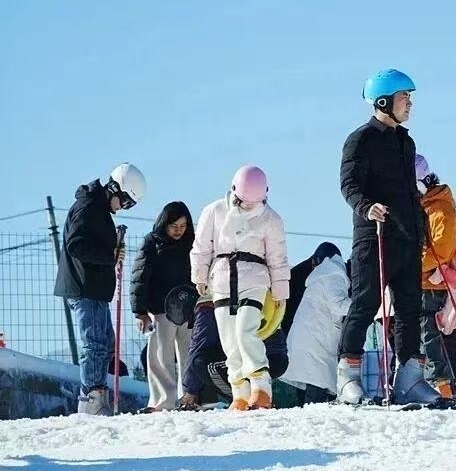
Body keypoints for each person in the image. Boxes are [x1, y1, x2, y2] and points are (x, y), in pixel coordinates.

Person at [336, 69, 441, 406]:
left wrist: (421, 224)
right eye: (403, 97)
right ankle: (348, 376)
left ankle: (409, 380)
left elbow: (409, 190)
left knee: (410, 309)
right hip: (375, 236)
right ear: (383, 102)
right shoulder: (361, 139)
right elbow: (349, 184)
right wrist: (366, 207)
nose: (409, 103)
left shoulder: (406, 142)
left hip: (407, 237)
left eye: (409, 97)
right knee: (366, 303)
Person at [190, 165, 290, 410]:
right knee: (229, 339)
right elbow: (202, 246)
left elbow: (278, 257)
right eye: (245, 201)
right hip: (222, 279)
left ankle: (261, 387)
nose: (249, 206)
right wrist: (199, 276)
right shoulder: (214, 211)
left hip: (255, 279)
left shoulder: (271, 219)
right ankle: (240, 393)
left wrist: (280, 291)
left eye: (255, 202)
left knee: (246, 331)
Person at [54, 162, 147, 415]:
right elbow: (76, 244)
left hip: (93, 289)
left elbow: (92, 243)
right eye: (126, 201)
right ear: (115, 189)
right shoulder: (89, 207)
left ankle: (98, 396)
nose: (124, 207)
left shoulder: (98, 209)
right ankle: (91, 399)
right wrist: (110, 255)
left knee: (105, 342)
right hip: (85, 288)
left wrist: (112, 250)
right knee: (95, 343)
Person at [130, 201, 195, 412]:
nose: (178, 231)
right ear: (164, 224)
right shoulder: (151, 242)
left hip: (188, 307)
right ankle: (162, 401)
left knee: (190, 354)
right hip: (160, 307)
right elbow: (139, 277)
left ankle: (189, 398)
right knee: (160, 355)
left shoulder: (193, 243)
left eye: (183, 226)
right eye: (173, 226)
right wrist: (140, 311)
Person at [179, 292, 288, 409]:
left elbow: (199, 346)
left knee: (200, 364)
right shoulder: (264, 289)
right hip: (275, 357)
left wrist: (189, 390)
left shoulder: (209, 302)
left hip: (263, 358)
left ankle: (245, 397)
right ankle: (257, 393)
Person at [280, 242, 351, 404]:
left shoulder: (319, 277)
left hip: (306, 339)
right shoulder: (333, 275)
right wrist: (361, 306)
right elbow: (338, 305)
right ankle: (313, 416)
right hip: (317, 341)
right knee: (316, 388)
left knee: (312, 384)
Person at [414, 153, 456, 399]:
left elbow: (442, 250)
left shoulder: (439, 208)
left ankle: (440, 387)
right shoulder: (425, 206)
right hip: (420, 281)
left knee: (428, 335)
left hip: (430, 283)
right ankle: (422, 382)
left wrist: (411, 266)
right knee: (419, 334)